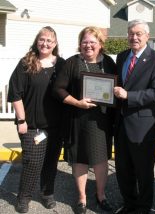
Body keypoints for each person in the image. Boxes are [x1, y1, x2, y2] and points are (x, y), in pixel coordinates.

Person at [52, 26, 116, 214]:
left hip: (102, 121)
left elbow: (117, 87)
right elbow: (58, 89)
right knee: (79, 158)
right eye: (85, 42)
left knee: (100, 160)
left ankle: (101, 195)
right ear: (80, 44)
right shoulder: (72, 62)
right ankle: (81, 197)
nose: (88, 45)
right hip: (78, 118)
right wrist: (77, 103)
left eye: (92, 42)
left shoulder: (109, 63)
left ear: (100, 44)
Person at [7, 26, 65, 213]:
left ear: (55, 44)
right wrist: (22, 120)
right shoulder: (26, 63)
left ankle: (47, 194)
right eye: (42, 39)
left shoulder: (62, 65)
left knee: (51, 163)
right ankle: (24, 197)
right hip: (32, 125)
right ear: (37, 41)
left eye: (49, 40)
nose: (45, 43)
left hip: (56, 125)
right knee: (32, 163)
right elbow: (15, 93)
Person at [113, 19, 155, 214]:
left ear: (147, 36)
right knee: (123, 169)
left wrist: (130, 96)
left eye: (138, 34)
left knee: (144, 172)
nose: (134, 37)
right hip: (120, 124)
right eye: (131, 33)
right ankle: (129, 204)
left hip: (143, 126)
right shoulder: (121, 57)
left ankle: (143, 208)